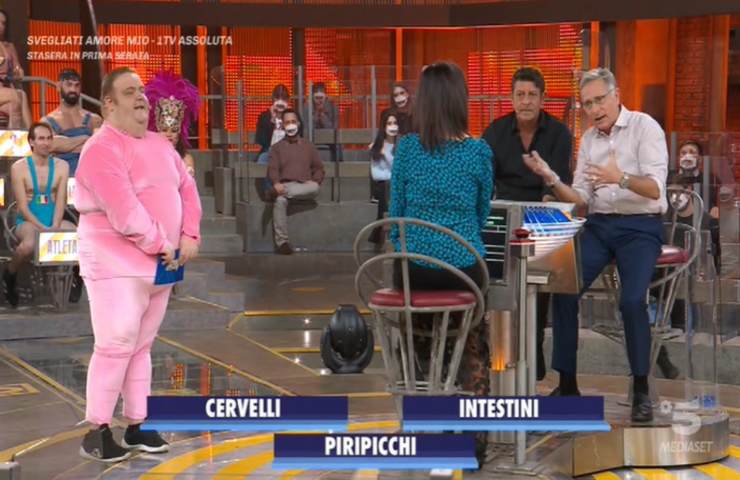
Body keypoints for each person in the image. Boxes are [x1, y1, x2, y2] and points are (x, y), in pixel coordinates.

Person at [523, 67, 668, 423]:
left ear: (617, 95)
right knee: (564, 288)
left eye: (600, 100)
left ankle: (641, 389)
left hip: (640, 227)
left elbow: (655, 189)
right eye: (587, 104)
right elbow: (581, 198)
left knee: (632, 300)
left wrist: (620, 177)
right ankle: (568, 385)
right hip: (600, 225)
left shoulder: (645, 127)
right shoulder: (588, 139)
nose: (594, 109)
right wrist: (551, 178)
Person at [75, 67, 202, 462]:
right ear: (109, 104)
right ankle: (97, 429)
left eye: (142, 91)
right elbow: (124, 210)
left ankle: (137, 423)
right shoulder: (100, 148)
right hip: (116, 262)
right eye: (130, 92)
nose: (142, 98)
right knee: (116, 344)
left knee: (142, 347)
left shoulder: (160, 144)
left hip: (162, 265)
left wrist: (190, 236)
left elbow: (188, 189)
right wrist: (164, 244)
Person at [389, 62, 493, 464]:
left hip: (413, 271)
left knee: (421, 334)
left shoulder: (407, 149)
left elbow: (395, 214)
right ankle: (473, 441)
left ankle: (421, 421)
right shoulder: (478, 152)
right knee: (471, 344)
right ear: (459, 101)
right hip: (462, 270)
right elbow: (482, 214)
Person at [481, 66, 573, 381]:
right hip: (503, 217)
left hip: (542, 216)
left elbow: (558, 183)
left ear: (542, 98)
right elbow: (485, 183)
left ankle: (534, 350)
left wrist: (543, 206)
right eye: (520, 95)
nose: (526, 101)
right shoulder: (494, 132)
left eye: (532, 95)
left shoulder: (559, 134)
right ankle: (501, 356)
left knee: (538, 292)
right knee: (501, 288)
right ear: (511, 98)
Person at [2, 122, 73, 307]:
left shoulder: (62, 166)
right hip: (28, 220)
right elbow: (23, 207)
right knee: (29, 245)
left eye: (49, 138)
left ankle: (77, 279)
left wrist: (55, 227)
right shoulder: (19, 167)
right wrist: (43, 230)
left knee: (80, 238)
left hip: (53, 217)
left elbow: (61, 201)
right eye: (41, 139)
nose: (46, 143)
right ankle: (10, 275)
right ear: (31, 142)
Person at [267, 109, 324, 255]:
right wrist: (276, 183)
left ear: (298, 123)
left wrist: (316, 180)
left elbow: (319, 168)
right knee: (280, 201)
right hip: (286, 184)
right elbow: (272, 169)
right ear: (283, 125)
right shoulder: (277, 148)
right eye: (287, 122)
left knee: (315, 187)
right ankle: (282, 243)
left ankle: (278, 192)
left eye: (293, 121)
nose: (290, 125)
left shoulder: (309, 146)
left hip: (305, 187)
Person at [42, 69, 103, 176]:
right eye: (69, 85)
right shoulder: (47, 121)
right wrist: (85, 138)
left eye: (77, 85)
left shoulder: (94, 119)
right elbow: (51, 145)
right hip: (61, 176)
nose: (73, 89)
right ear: (58, 86)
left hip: (89, 175)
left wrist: (63, 147)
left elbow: (98, 147)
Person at [144, 71, 200, 177]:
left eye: (174, 130)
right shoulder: (146, 156)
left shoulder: (185, 159)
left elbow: (188, 185)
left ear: (179, 133)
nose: (169, 134)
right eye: (164, 129)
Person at [367, 110, 399, 246]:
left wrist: (387, 159)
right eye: (389, 123)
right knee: (387, 188)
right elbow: (376, 174)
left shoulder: (403, 146)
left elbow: (401, 171)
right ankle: (389, 235)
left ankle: (378, 233)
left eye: (395, 123)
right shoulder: (376, 147)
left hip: (398, 185)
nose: (392, 126)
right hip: (382, 186)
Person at [0, 9, 31, 129]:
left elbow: (18, 68)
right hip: (5, 91)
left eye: (3, 23)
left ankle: (29, 134)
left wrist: (18, 72)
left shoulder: (9, 46)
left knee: (20, 97)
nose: (1, 26)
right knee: (14, 96)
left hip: (5, 88)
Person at [255, 84, 291, 164]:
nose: (280, 101)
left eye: (283, 98)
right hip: (269, 151)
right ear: (273, 99)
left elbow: (298, 137)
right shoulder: (264, 116)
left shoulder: (293, 115)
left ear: (288, 100)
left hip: (289, 152)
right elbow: (261, 141)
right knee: (263, 159)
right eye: (277, 97)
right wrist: (272, 120)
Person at [309, 82, 342, 162]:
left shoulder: (333, 108)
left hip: (330, 142)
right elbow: (307, 129)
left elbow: (334, 130)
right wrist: (316, 115)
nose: (319, 101)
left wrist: (323, 116)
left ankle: (338, 165)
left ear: (325, 97)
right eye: (317, 98)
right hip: (313, 140)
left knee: (338, 143)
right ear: (312, 98)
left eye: (321, 98)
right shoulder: (307, 108)